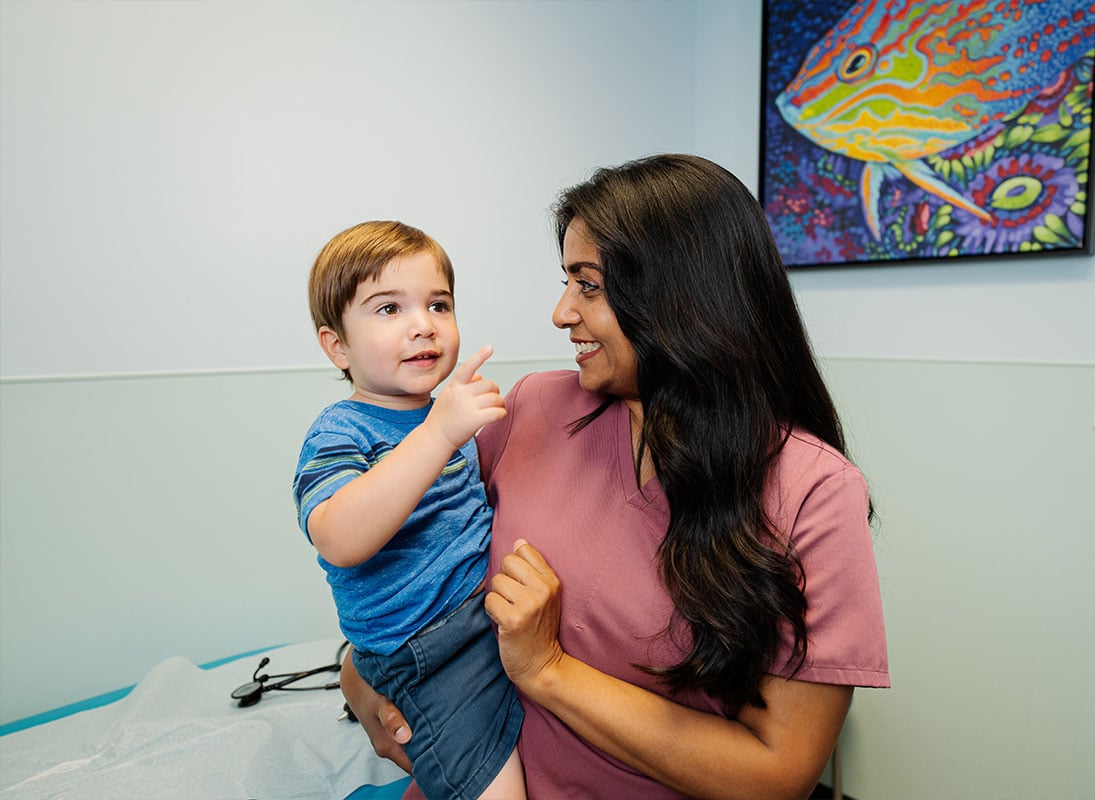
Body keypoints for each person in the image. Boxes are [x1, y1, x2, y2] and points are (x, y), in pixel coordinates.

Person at [341, 155, 889, 800]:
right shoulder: (533, 409)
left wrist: (548, 670)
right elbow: (400, 571)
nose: (561, 312)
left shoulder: (811, 491)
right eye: (566, 281)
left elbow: (779, 773)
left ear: (683, 296)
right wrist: (360, 675)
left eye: (588, 285)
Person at [293, 221, 525, 800]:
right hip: (426, 654)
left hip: (487, 623)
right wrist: (438, 434)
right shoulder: (341, 430)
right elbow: (339, 538)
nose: (423, 324)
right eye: (389, 308)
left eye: (438, 304)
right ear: (337, 345)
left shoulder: (451, 417)